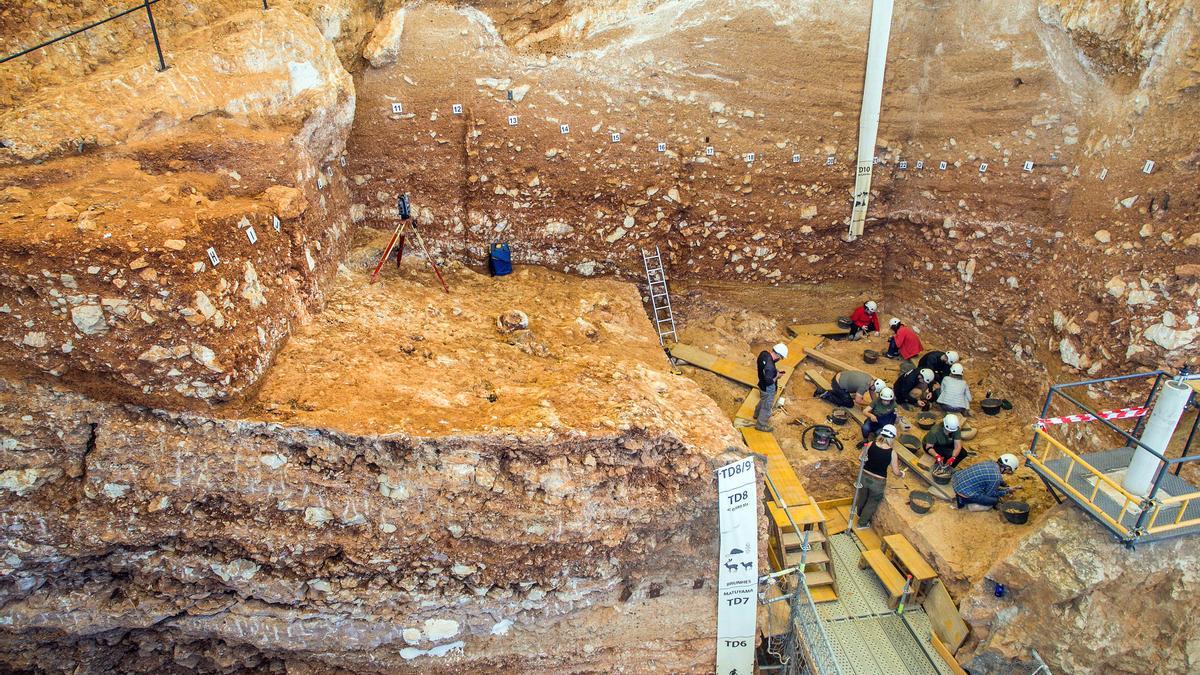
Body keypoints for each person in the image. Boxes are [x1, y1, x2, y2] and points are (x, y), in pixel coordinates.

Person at [854, 424, 903, 527]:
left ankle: (858, 514)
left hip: (864, 476)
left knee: (862, 496)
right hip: (878, 482)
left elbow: (860, 458)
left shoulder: (871, 444)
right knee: (872, 502)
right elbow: (895, 471)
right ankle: (862, 524)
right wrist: (901, 474)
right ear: (893, 437)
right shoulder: (892, 453)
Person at [953, 454, 1020, 511]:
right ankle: (963, 500)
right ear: (1007, 468)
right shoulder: (996, 477)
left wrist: (1006, 485)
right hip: (963, 492)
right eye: (1009, 471)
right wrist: (1007, 491)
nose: (1007, 473)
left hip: (957, 480)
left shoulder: (991, 463)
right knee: (994, 500)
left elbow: (995, 479)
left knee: (988, 484)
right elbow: (990, 494)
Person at [753, 343, 789, 432]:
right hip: (768, 388)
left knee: (763, 399)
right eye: (781, 358)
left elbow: (765, 369)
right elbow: (769, 381)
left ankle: (756, 414)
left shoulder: (764, 354)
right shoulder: (770, 367)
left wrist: (774, 371)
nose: (780, 359)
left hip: (761, 385)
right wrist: (777, 375)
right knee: (767, 406)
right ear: (778, 355)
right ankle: (761, 425)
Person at [821, 370, 885, 408]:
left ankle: (839, 394)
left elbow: (872, 391)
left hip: (841, 376)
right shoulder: (864, 386)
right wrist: (871, 404)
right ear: (874, 386)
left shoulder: (870, 380)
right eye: (875, 390)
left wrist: (876, 402)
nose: (874, 391)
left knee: (858, 396)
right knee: (849, 404)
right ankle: (827, 395)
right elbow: (858, 401)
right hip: (837, 384)